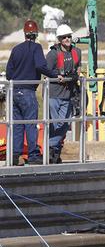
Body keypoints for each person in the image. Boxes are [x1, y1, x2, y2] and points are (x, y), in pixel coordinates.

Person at [4, 20, 60, 165]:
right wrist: (55, 75)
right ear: (35, 34)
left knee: (17, 124)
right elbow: (41, 66)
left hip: (14, 92)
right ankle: (34, 155)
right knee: (30, 123)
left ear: (24, 33)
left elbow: (9, 73)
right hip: (28, 92)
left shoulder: (16, 49)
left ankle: (16, 156)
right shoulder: (36, 48)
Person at [45, 24, 82, 164]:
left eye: (69, 36)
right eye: (64, 37)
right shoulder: (53, 54)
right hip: (54, 94)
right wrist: (57, 75)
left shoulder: (77, 52)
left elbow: (79, 67)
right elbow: (46, 70)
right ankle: (53, 152)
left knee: (64, 124)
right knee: (55, 124)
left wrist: (75, 76)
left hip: (68, 94)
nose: (67, 39)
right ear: (59, 39)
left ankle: (51, 147)